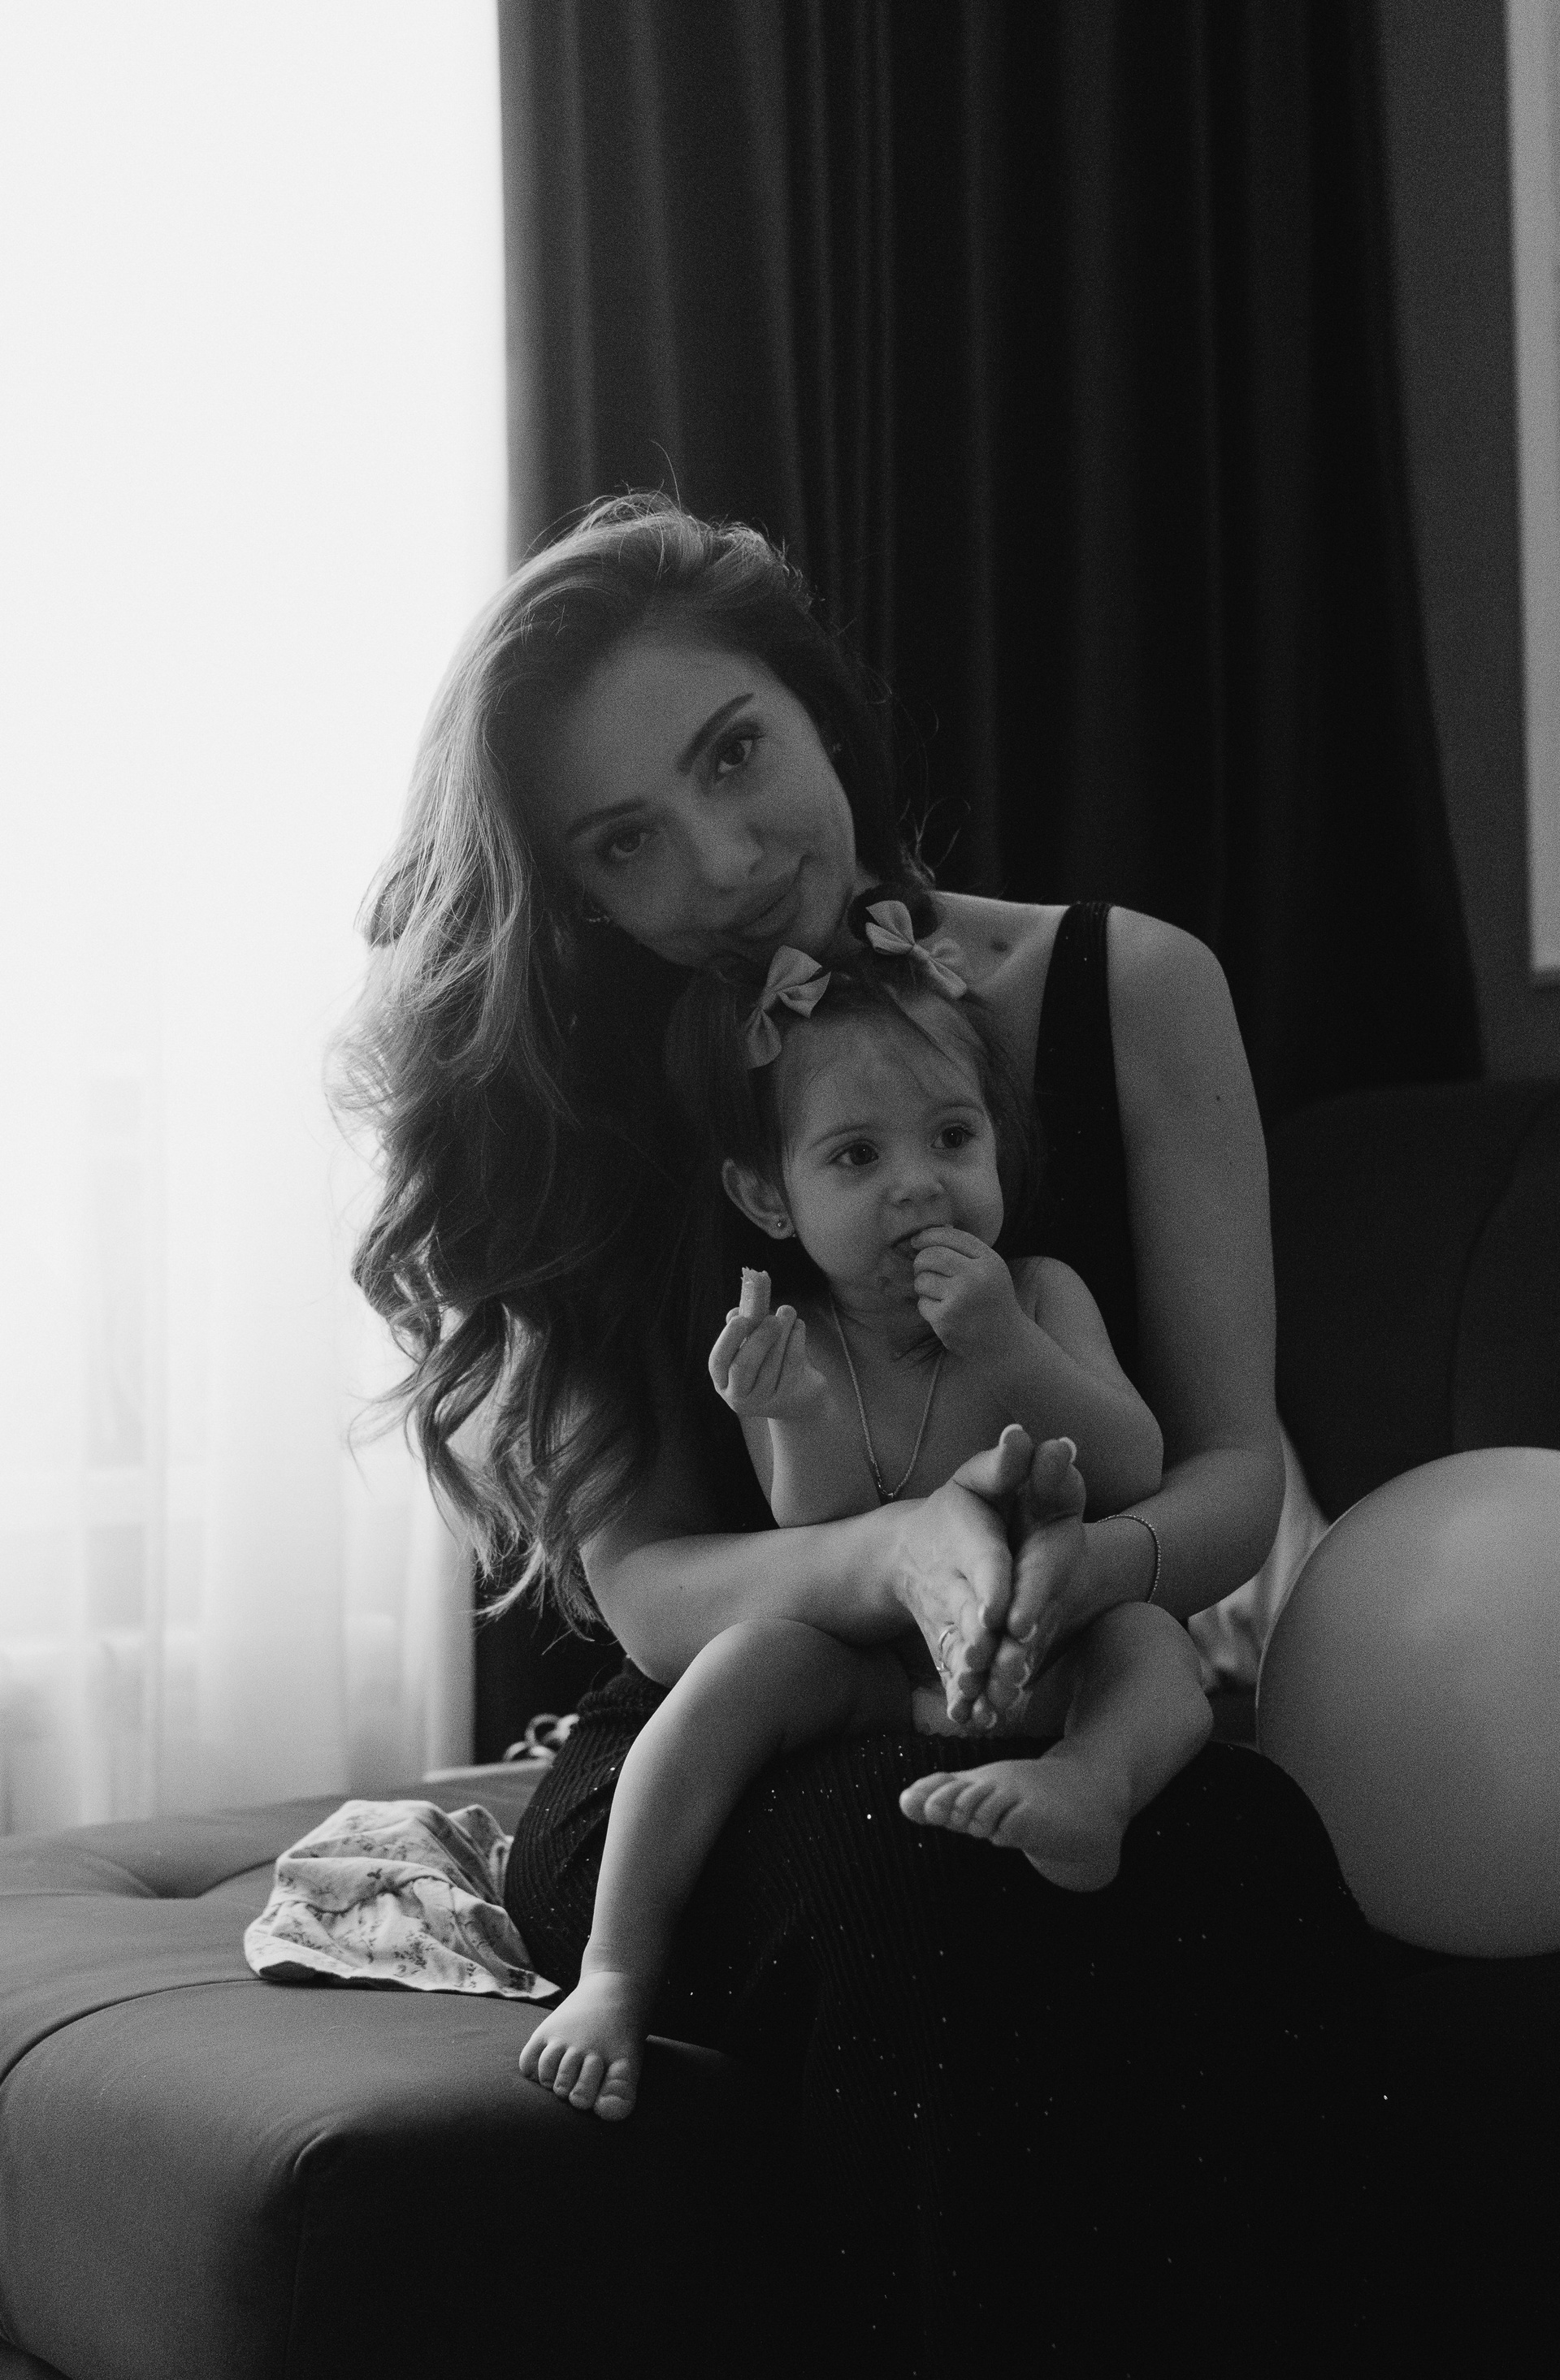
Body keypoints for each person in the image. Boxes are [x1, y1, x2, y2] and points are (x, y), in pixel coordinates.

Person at [339, 491, 1385, 2373]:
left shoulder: (1137, 994)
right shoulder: (587, 1098)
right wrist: (899, 1547)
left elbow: (1229, 1474)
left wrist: (1092, 1560)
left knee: (1244, 1858)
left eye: (735, 755)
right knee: (934, 1903)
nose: (725, 861)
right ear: (581, 894)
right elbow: (650, 1588)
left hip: (1066, 1675)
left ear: (818, 704)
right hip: (715, 1734)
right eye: (627, 843)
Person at [518, 928, 1214, 2123]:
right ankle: (616, 1968)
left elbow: (1135, 1462)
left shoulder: (1040, 1292)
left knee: (1154, 1645)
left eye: (953, 1137)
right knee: (739, 1669)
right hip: (866, 1675)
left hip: (1039, 1650)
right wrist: (791, 1413)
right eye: (856, 1155)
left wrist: (1009, 1347)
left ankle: (1089, 1786)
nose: (919, 1183)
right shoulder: (796, 1336)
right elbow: (818, 1532)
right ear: (768, 1198)